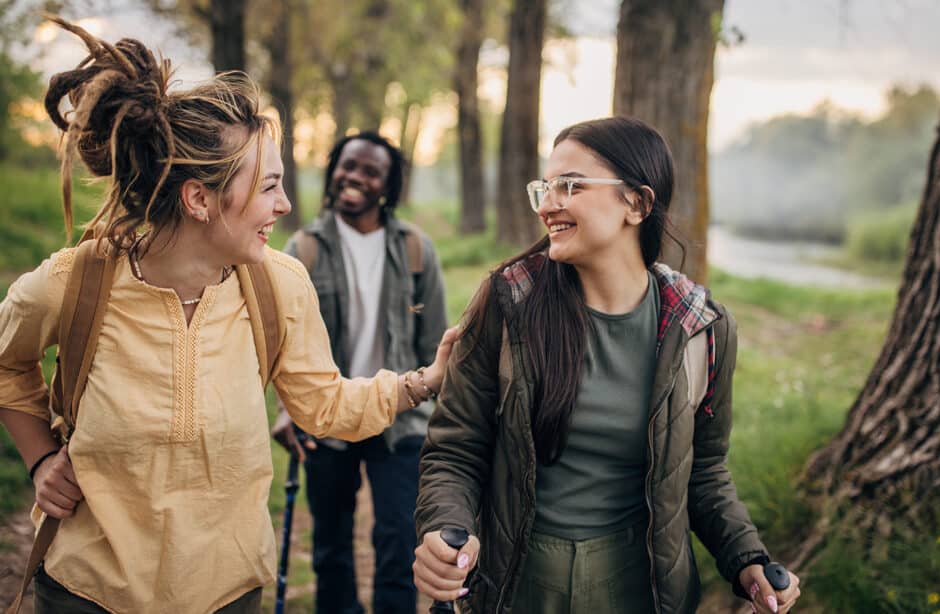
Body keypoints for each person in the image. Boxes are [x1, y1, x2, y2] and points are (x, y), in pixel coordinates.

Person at [0, 17, 453, 614]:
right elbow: (8, 365)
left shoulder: (279, 284)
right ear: (200, 199)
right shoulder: (74, 283)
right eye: (269, 188)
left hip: (229, 591)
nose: (285, 206)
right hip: (87, 591)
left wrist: (426, 379)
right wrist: (38, 458)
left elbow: (325, 406)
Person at [412, 117, 803, 614]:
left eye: (571, 185)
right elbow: (455, 450)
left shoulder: (700, 329)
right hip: (519, 587)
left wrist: (746, 560)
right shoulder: (508, 303)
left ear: (636, 203)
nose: (549, 203)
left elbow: (703, 472)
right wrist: (447, 529)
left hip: (642, 590)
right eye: (546, 187)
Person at [271, 131, 447, 614]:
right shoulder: (301, 251)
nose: (355, 177)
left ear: (387, 186)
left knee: (398, 544)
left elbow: (435, 346)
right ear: (333, 170)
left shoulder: (416, 250)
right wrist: (289, 410)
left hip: (402, 418)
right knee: (330, 549)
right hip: (327, 418)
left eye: (372, 171)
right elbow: (283, 352)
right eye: (348, 166)